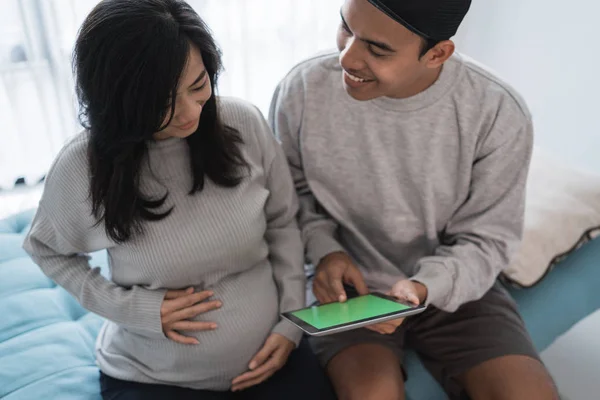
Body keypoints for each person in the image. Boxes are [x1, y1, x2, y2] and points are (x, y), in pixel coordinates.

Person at [23, 1, 333, 399]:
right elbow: (46, 250)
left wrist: (291, 325)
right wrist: (132, 309)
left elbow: (283, 223)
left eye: (199, 85)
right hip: (153, 377)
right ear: (120, 99)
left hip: (275, 355)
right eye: (162, 101)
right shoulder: (81, 166)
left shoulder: (242, 123)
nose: (190, 113)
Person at [269, 0, 560, 399]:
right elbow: (292, 198)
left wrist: (425, 287)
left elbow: (487, 240)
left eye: (377, 48)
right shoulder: (302, 90)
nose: (347, 56)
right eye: (345, 28)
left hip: (454, 288)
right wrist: (326, 253)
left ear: (437, 53)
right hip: (347, 290)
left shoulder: (496, 112)